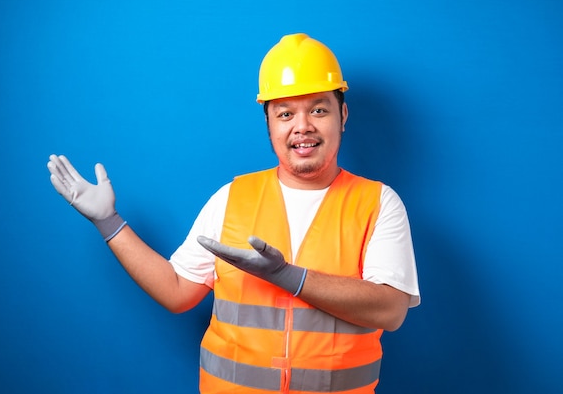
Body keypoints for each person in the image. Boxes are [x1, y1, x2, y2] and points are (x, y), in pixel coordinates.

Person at [47, 33, 420, 394]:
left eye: (318, 109)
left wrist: (289, 277)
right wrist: (108, 222)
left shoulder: (378, 203)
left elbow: (391, 310)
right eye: (285, 113)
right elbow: (177, 292)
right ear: (269, 124)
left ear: (343, 114)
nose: (302, 126)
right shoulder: (231, 199)